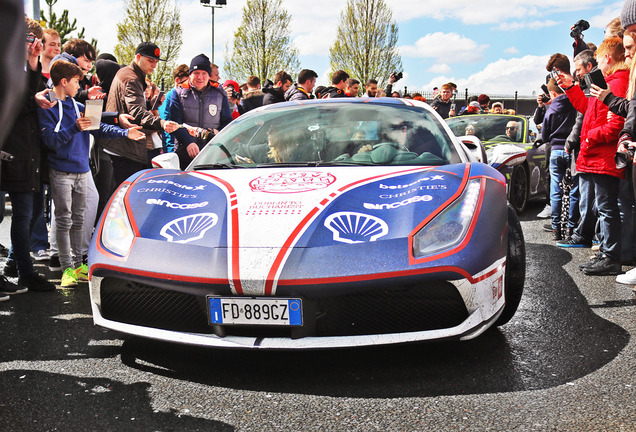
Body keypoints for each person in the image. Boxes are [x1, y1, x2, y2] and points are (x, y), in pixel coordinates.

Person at [38, 60, 145, 287]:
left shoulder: (78, 107)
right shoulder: (47, 107)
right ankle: (66, 268)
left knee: (79, 219)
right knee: (64, 219)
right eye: (77, 81)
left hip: (82, 170)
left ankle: (77, 265)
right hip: (61, 172)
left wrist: (125, 134)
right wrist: (74, 127)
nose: (80, 85)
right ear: (64, 82)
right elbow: (50, 141)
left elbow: (99, 127)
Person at [556, 37, 630, 276]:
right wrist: (570, 86)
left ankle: (610, 256)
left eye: (597, 59)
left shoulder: (617, 82)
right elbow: (587, 108)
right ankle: (607, 253)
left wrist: (589, 138)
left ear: (607, 58)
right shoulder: (610, 81)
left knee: (607, 208)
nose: (596, 64)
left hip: (603, 156)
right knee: (604, 207)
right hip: (598, 156)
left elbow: (616, 124)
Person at [1, 17, 55, 293]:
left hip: (28, 152)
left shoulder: (26, 69)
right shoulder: (7, 68)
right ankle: (21, 270)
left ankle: (24, 271)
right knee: (12, 214)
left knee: (26, 214)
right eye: (29, 40)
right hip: (11, 153)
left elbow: (32, 97)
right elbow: (15, 106)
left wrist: (34, 64)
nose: (33, 45)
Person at [104, 42, 179, 185]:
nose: (154, 65)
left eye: (156, 62)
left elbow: (131, 106)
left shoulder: (129, 74)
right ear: (138, 57)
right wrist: (162, 123)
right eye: (150, 60)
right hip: (125, 149)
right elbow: (137, 112)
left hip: (123, 145)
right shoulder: (131, 78)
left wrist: (150, 104)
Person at [164, 53, 232, 170]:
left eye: (204, 73)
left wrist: (218, 133)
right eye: (196, 73)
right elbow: (175, 122)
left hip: (212, 154)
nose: (200, 77)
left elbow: (227, 121)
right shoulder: (178, 93)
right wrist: (188, 142)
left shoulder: (220, 94)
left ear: (209, 75)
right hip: (185, 153)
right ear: (190, 75)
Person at [541, 78, 578, 240]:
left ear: (553, 93)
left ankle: (556, 228)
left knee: (556, 190)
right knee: (575, 189)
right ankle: (572, 227)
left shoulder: (550, 110)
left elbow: (544, 135)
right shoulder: (575, 104)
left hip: (556, 150)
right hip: (573, 149)